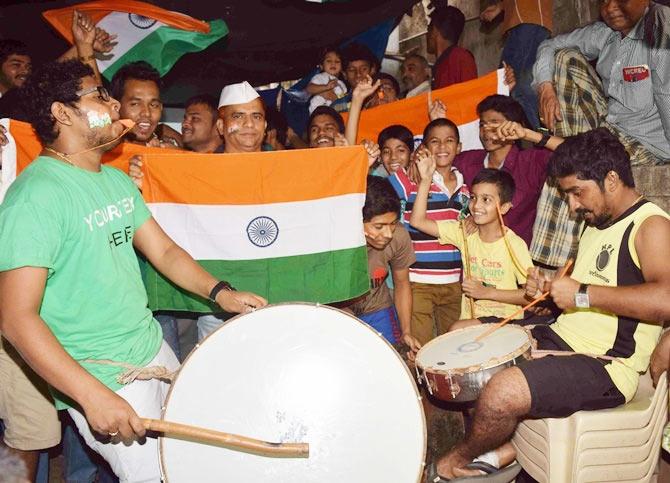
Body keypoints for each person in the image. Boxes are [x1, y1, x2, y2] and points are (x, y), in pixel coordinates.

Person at [0, 59, 267, 481]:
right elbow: (16, 318)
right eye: (99, 95)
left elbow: (163, 252)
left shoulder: (115, 181)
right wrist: (91, 397)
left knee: (193, 466)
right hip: (105, 375)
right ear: (61, 112)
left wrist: (221, 293)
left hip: (153, 352)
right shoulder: (35, 198)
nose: (113, 105)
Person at [433, 128, 670, 479]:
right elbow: (572, 289)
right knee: (461, 334)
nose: (573, 206)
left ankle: (459, 459)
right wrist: (546, 286)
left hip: (607, 365)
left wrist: (582, 293)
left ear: (612, 179)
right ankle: (510, 445)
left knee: (502, 392)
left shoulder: (650, 226)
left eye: (577, 192)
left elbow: (665, 298)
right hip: (561, 335)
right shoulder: (596, 223)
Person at [411, 167, 533, 323]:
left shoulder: (514, 244)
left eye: (486, 199)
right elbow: (417, 221)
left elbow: (530, 298)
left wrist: (486, 293)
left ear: (504, 207)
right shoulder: (464, 232)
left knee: (456, 328)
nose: (476, 206)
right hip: (471, 320)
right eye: (473, 197)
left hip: (505, 322)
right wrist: (426, 180)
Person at [388, 119, 469, 345]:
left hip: (454, 283)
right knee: (419, 347)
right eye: (435, 141)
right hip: (417, 280)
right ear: (424, 147)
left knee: (452, 349)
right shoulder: (410, 177)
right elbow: (379, 195)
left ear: (459, 147)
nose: (442, 147)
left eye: (449, 141)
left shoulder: (465, 186)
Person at [454, 94, 560, 246]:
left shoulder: (529, 163)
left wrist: (529, 134)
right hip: (475, 259)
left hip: (515, 261)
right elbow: (436, 158)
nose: (486, 130)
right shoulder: (468, 161)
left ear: (514, 126)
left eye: (494, 123)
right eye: (482, 124)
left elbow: (576, 152)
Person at [347, 176, 421, 354]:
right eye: (379, 226)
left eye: (393, 224)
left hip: (377, 307)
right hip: (340, 311)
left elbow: (402, 283)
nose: (388, 234)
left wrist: (406, 332)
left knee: (393, 359)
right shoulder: (337, 244)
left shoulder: (399, 237)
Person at [480, 0, 553, 129]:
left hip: (529, 22)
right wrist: (500, 7)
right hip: (522, 24)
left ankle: (545, 137)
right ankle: (540, 137)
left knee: (516, 87)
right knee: (508, 89)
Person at [110, 61, 180, 148]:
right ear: (115, 106)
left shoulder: (169, 152)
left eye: (154, 105)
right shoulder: (98, 154)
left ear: (161, 108)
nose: (147, 113)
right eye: (135, 104)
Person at [428, 5, 478, 89]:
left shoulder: (461, 58)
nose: (427, 35)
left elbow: (471, 96)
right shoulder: (439, 65)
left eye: (428, 30)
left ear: (435, 31)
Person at [306, 47, 347, 114]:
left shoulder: (342, 84)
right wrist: (326, 87)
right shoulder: (320, 77)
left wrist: (335, 98)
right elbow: (309, 89)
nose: (333, 64)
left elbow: (343, 102)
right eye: (329, 61)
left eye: (337, 61)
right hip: (317, 111)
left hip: (334, 114)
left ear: (341, 67)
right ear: (321, 66)